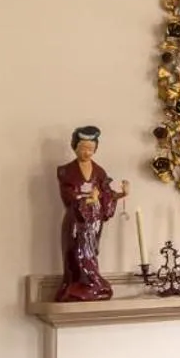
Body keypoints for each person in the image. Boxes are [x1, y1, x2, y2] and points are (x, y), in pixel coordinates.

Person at [54, 125, 128, 302]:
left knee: (90, 251)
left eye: (91, 149)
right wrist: (88, 199)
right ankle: (78, 285)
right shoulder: (65, 171)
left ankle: (93, 285)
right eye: (83, 148)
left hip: (93, 220)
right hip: (76, 219)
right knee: (76, 251)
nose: (87, 152)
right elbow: (68, 195)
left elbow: (106, 193)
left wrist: (121, 194)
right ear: (75, 147)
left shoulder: (99, 171)